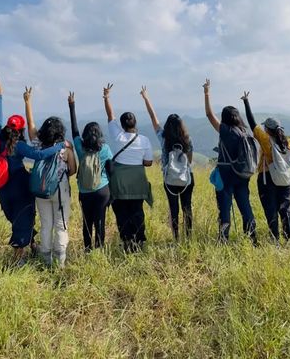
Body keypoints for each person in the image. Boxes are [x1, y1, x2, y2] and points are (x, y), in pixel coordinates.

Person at [0, 78, 66, 267]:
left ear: (7, 127)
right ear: (21, 130)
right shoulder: (20, 146)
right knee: (23, 219)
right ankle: (18, 259)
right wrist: (58, 147)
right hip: (20, 187)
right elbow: (39, 155)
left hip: (2, 189)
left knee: (17, 218)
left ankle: (31, 245)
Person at [24, 87, 76, 267]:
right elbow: (73, 169)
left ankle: (46, 260)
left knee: (46, 224)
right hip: (60, 189)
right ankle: (60, 263)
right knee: (61, 225)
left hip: (41, 189)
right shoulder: (66, 147)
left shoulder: (38, 144)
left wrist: (27, 101)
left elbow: (30, 126)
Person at [203, 79, 257, 243]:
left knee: (225, 208)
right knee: (245, 206)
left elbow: (209, 115)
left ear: (225, 118)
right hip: (242, 175)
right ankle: (252, 237)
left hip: (226, 176)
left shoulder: (226, 131)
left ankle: (224, 239)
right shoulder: (244, 132)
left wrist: (206, 93)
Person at [103, 83, 153, 251]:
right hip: (138, 181)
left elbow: (110, 115)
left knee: (121, 211)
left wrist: (107, 97)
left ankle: (126, 240)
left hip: (119, 182)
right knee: (137, 211)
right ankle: (139, 239)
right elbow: (148, 162)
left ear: (122, 125)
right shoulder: (144, 140)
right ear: (135, 123)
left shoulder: (117, 136)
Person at [241, 91, 290, 242]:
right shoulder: (289, 143)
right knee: (286, 209)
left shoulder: (265, 139)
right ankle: (289, 239)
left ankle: (275, 239)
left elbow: (252, 123)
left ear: (267, 129)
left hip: (268, 179)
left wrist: (246, 102)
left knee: (270, 209)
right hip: (286, 180)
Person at [140, 86, 194, 239]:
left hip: (169, 179)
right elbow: (189, 161)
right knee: (187, 207)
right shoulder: (187, 140)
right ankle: (188, 237)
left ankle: (176, 236)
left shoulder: (163, 137)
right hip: (187, 179)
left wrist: (146, 98)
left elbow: (153, 118)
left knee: (174, 208)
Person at [68, 90, 113, 251]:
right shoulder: (105, 149)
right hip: (102, 190)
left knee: (86, 221)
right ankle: (99, 250)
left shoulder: (80, 148)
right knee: (100, 220)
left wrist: (71, 105)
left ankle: (87, 249)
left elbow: (74, 130)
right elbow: (111, 170)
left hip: (85, 190)